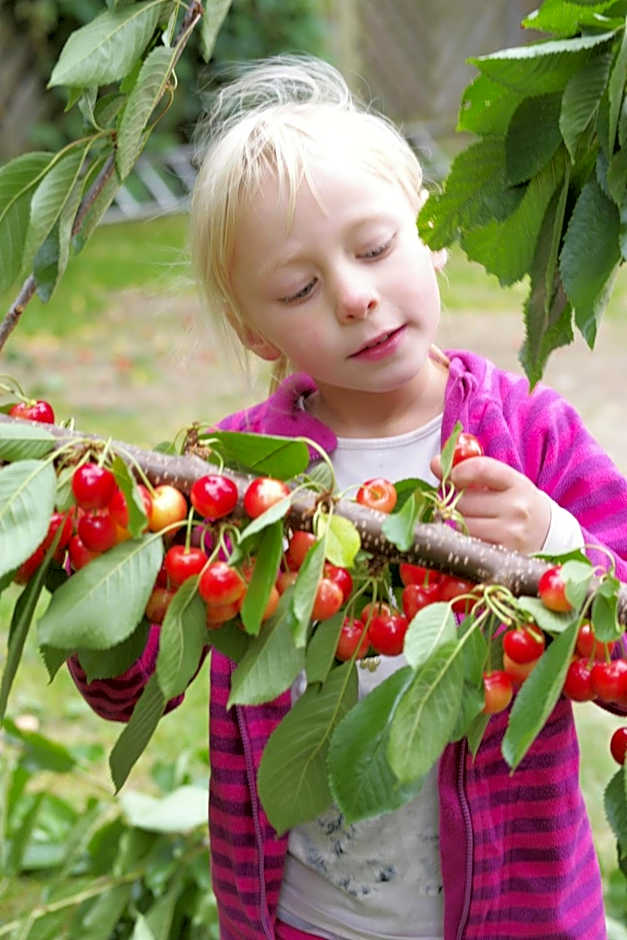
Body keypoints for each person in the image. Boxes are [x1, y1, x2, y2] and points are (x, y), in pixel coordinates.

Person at [69, 56, 627, 939]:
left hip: (516, 920)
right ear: (257, 331)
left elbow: (620, 642)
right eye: (300, 289)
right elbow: (126, 690)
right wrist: (103, 560)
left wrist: (558, 545)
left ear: (428, 233)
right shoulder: (236, 479)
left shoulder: (531, 437)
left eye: (373, 249)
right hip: (303, 920)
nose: (357, 298)